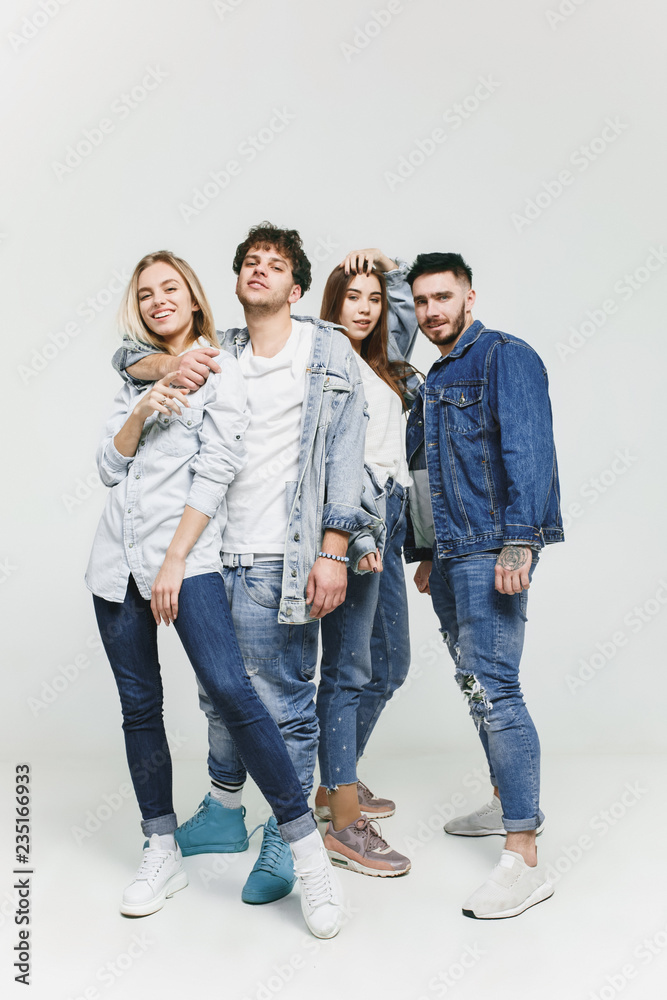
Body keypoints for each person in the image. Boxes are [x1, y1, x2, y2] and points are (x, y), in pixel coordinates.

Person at [111, 225, 377, 907]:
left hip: (279, 558)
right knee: (221, 698)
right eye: (249, 263)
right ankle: (225, 813)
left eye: (276, 265)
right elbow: (128, 356)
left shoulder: (326, 352)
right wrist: (162, 370)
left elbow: (347, 455)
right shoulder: (218, 350)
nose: (260, 271)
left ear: (296, 288)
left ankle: (282, 839)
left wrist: (333, 550)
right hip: (209, 554)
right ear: (234, 284)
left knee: (282, 704)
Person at [404, 251, 564, 919]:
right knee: (474, 683)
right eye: (420, 301)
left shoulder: (503, 357)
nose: (431, 311)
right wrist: (421, 549)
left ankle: (522, 856)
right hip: (446, 554)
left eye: (443, 297)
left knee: (495, 686)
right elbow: (423, 469)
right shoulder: (434, 375)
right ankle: (505, 802)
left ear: (469, 297)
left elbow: (527, 448)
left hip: (490, 550)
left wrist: (519, 540)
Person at [313, 248, 419, 876]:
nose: (367, 308)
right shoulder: (326, 366)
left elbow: (402, 312)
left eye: (374, 299)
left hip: (393, 520)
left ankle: (337, 778)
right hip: (359, 525)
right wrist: (355, 536)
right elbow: (338, 462)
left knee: (392, 663)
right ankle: (344, 817)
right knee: (349, 669)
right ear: (333, 304)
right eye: (353, 296)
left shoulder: (380, 364)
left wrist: (388, 266)